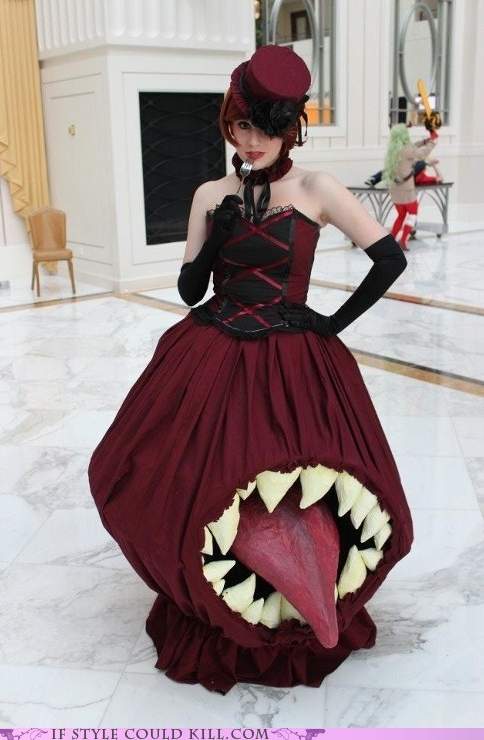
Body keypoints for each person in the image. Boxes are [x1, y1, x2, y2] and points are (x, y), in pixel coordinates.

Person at [88, 45, 413, 694]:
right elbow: (189, 290)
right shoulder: (211, 193)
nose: (252, 141)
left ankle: (301, 591)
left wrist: (330, 325)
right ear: (227, 125)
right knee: (174, 475)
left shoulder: (316, 189)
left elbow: (388, 260)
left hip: (294, 353)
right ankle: (219, 593)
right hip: (213, 345)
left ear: (291, 127)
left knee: (298, 474)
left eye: (267, 127)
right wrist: (217, 233)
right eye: (240, 126)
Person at [383, 123, 438, 251]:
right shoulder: (407, 150)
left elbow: (412, 147)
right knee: (413, 213)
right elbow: (423, 153)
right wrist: (432, 141)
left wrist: (424, 141)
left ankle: (391, 242)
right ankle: (403, 241)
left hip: (395, 189)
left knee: (401, 215)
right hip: (406, 189)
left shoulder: (393, 150)